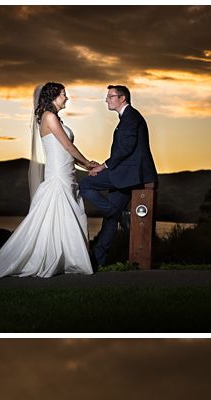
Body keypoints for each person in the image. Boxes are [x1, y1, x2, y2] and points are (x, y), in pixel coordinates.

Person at [0, 83, 95, 279]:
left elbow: (66, 151)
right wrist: (88, 163)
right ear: (53, 97)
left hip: (68, 173)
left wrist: (86, 166)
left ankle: (66, 260)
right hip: (58, 176)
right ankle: (62, 259)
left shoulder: (54, 118)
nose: (66, 98)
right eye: (63, 95)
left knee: (69, 215)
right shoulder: (49, 117)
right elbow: (67, 145)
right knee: (59, 214)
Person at [79, 85, 158, 269]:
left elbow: (126, 148)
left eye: (110, 96)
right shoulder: (128, 117)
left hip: (128, 173)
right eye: (107, 96)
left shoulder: (131, 116)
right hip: (124, 173)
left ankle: (115, 212)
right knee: (111, 219)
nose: (107, 99)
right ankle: (97, 261)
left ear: (122, 98)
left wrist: (103, 166)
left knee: (85, 185)